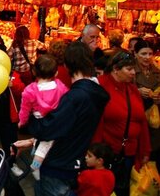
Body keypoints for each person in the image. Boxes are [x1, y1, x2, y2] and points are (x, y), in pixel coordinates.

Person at [14, 41, 110, 196]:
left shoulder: (75, 97)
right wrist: (32, 142)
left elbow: (49, 129)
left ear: (67, 65)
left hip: (59, 165)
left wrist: (32, 117)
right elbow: (67, 128)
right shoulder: (93, 93)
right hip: (74, 160)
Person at [93, 51, 151, 196]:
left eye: (133, 69)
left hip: (129, 154)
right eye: (129, 69)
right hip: (106, 154)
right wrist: (95, 152)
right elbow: (95, 121)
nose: (133, 73)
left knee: (123, 190)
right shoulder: (100, 85)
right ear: (116, 69)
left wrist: (145, 150)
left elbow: (141, 121)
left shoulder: (132, 89)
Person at [18, 54, 69, 180]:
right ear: (56, 73)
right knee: (45, 145)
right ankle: (36, 166)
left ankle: (35, 166)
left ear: (34, 72)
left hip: (40, 124)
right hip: (56, 122)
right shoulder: (61, 87)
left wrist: (21, 122)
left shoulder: (29, 91)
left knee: (42, 146)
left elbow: (24, 111)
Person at [134, 39, 160, 166]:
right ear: (135, 54)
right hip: (138, 116)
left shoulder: (157, 71)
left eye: (150, 54)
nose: (147, 57)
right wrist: (137, 91)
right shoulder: (130, 70)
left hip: (155, 119)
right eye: (143, 54)